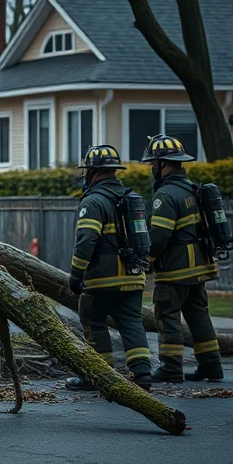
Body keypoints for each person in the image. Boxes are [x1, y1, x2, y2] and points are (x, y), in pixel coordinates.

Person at [66, 145, 153, 391]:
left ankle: (98, 376)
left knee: (94, 320)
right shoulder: (130, 199)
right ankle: (143, 374)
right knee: (132, 322)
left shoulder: (93, 202)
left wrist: (76, 275)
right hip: (134, 275)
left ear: (92, 172)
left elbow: (86, 241)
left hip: (103, 279)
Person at [141, 135, 223, 384]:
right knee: (199, 316)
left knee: (167, 317)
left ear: (163, 164)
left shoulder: (165, 195)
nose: (151, 168)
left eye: (152, 163)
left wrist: (147, 260)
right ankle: (212, 366)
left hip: (175, 269)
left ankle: (171, 368)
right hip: (198, 268)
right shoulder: (191, 188)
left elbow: (159, 236)